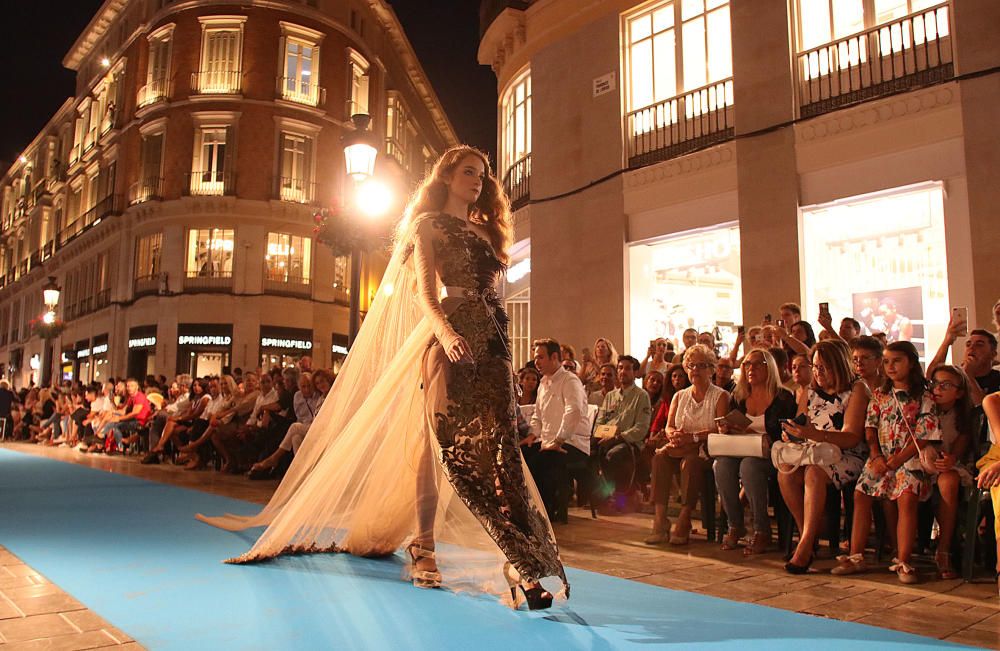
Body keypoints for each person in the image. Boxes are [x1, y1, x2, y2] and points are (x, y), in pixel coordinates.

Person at [197, 145, 567, 609]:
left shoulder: (483, 231)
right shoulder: (426, 225)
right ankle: (424, 546)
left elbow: (492, 298)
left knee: (503, 454)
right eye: (468, 172)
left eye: (483, 174)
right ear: (447, 176)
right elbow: (428, 296)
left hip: (493, 347)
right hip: (449, 340)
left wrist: (504, 359)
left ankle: (521, 561)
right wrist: (447, 333)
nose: (477, 180)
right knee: (440, 448)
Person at [832, 341, 939, 584]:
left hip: (909, 458)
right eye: (887, 361)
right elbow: (870, 426)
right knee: (861, 494)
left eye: (897, 361)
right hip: (881, 457)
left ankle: (903, 560)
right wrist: (876, 455)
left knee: (907, 498)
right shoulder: (880, 393)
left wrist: (896, 461)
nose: (890, 366)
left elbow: (923, 435)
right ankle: (856, 555)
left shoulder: (924, 396)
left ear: (911, 363)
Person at [777, 340, 869, 573]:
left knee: (814, 473)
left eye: (823, 368)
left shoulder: (857, 389)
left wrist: (814, 434)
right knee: (785, 472)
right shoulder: (811, 391)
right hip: (814, 451)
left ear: (838, 366)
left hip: (846, 454)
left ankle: (805, 544)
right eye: (815, 367)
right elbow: (802, 423)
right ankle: (808, 533)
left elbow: (851, 437)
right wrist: (793, 434)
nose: (818, 373)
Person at [715, 349, 797, 556]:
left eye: (757, 364)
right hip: (742, 448)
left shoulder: (783, 397)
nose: (751, 369)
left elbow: (789, 433)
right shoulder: (739, 396)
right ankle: (735, 524)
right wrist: (727, 428)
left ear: (769, 367)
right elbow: (733, 423)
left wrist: (759, 433)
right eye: (747, 364)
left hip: (773, 453)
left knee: (749, 466)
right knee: (721, 465)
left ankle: (762, 529)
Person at [645, 344, 727, 546]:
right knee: (659, 458)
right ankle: (660, 519)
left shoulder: (720, 396)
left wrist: (693, 438)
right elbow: (669, 427)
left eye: (701, 365)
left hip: (705, 451)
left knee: (690, 463)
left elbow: (721, 429)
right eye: (691, 366)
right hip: (679, 448)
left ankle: (684, 517)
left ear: (711, 368)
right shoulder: (679, 396)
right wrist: (674, 436)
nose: (695, 370)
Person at [524, 339, 590, 520]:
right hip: (549, 442)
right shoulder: (543, 383)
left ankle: (544, 513)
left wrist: (559, 440)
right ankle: (528, 510)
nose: (536, 362)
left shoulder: (570, 381)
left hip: (571, 442)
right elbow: (537, 415)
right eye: (535, 357)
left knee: (541, 462)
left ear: (554, 357)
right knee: (522, 453)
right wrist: (532, 435)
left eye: (540, 357)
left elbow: (574, 411)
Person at [593, 355, 652, 509]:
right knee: (589, 452)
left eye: (627, 368)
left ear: (635, 372)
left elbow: (641, 428)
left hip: (629, 443)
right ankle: (599, 497)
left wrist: (618, 437)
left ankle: (620, 498)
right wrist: (605, 435)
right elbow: (599, 422)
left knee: (615, 455)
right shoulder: (611, 396)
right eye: (620, 368)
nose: (622, 371)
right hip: (606, 438)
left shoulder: (641, 396)